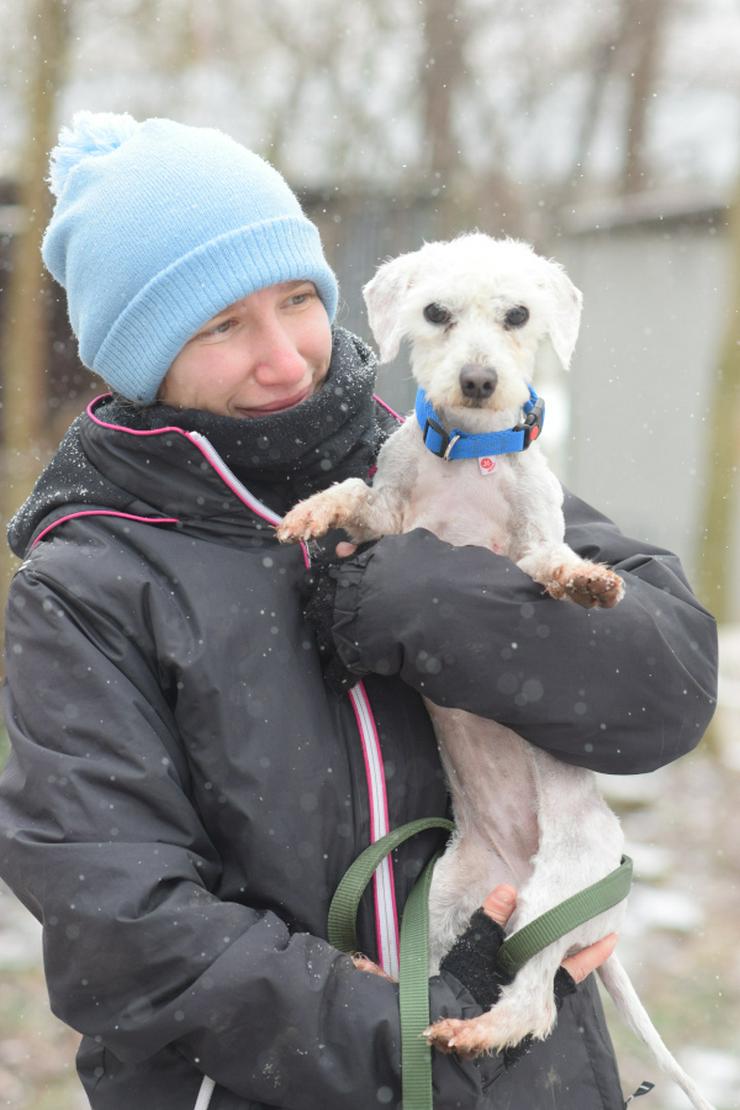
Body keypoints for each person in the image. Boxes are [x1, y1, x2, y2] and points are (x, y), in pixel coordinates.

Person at [0, 112, 717, 1110]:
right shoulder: (89, 582)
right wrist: (409, 1034)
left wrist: (454, 604)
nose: (286, 358)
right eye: (219, 325)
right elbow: (118, 924)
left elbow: (668, 688)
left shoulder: (438, 453)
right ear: (136, 357)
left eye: (296, 299)